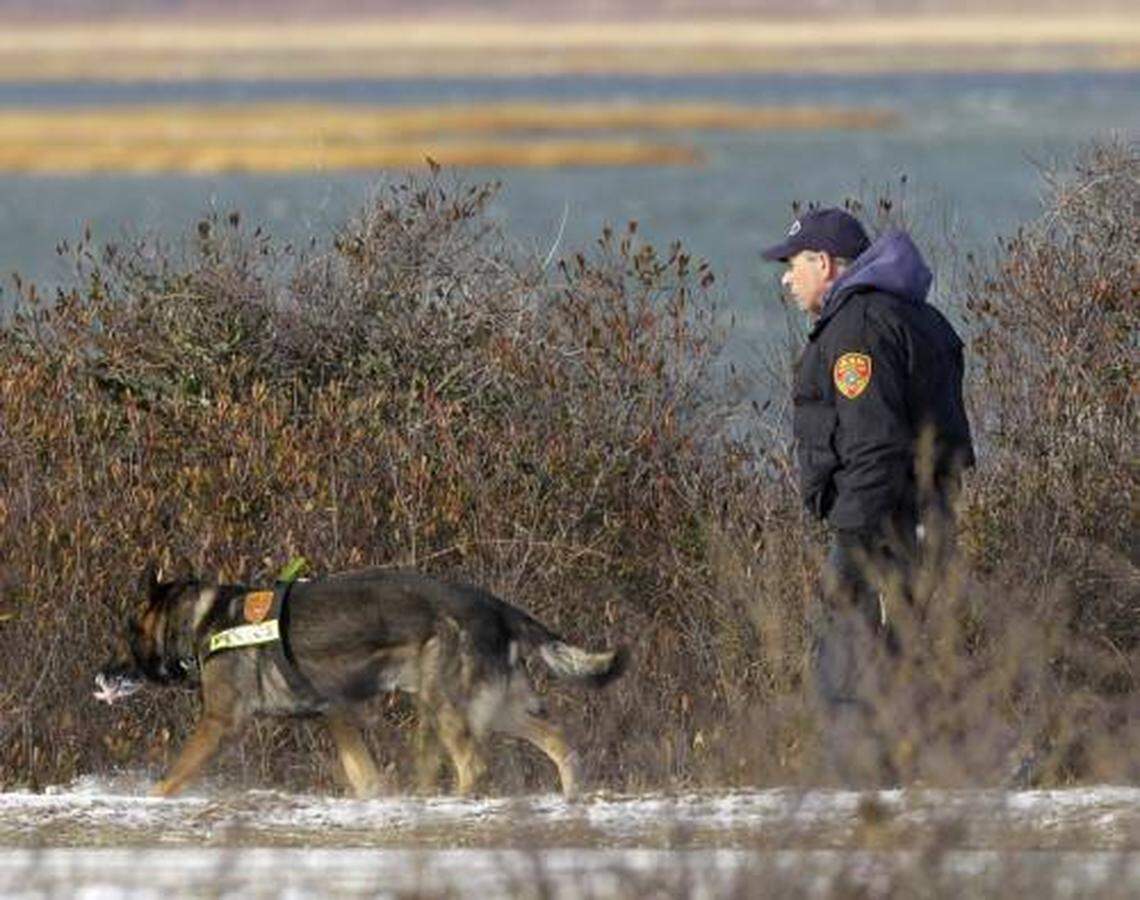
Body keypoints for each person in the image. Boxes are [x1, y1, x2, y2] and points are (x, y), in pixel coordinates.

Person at [760, 207, 975, 783]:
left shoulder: (858, 329)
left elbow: (875, 443)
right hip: (923, 516)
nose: (785, 278)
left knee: (848, 662)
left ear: (824, 264)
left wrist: (853, 536)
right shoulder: (912, 315)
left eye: (792, 264)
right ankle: (934, 774)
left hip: (881, 524)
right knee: (899, 657)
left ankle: (861, 790)